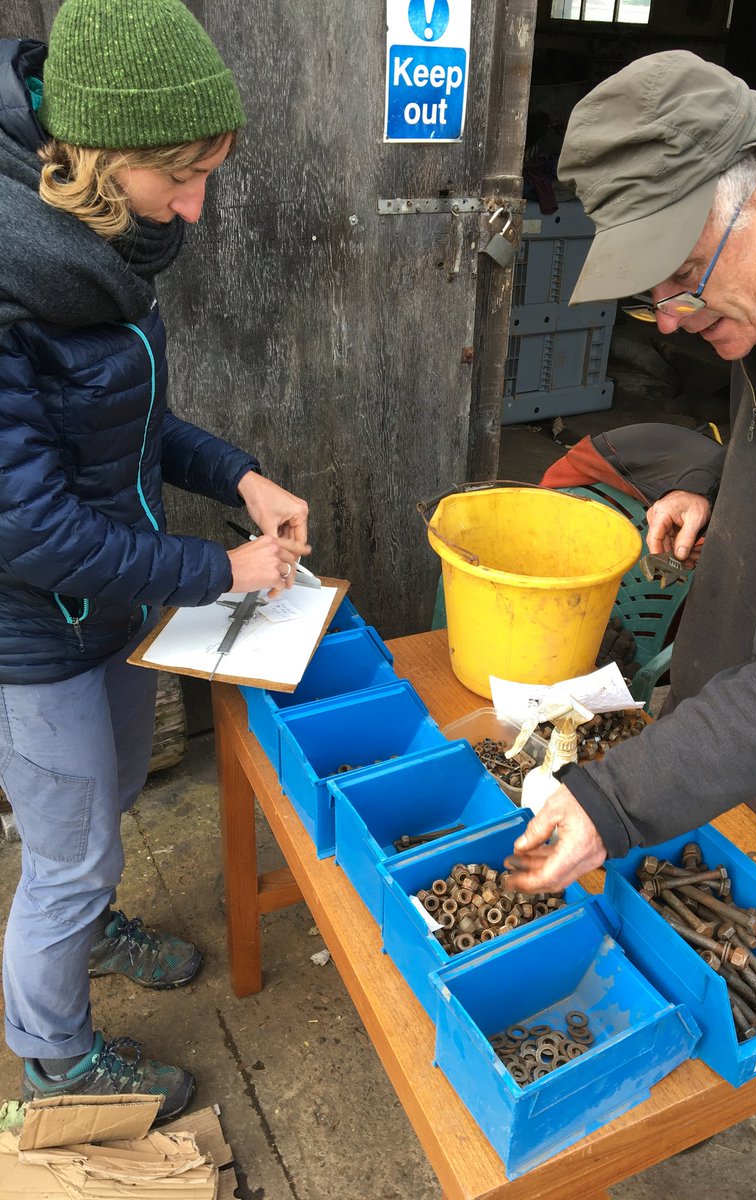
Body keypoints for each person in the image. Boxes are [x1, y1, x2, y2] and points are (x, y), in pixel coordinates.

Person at [0, 0, 311, 1121]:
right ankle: (54, 1057)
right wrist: (218, 573)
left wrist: (237, 477)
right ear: (99, 159)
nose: (195, 207)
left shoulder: (92, 252)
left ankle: (88, 916)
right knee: (65, 851)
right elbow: (24, 525)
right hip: (29, 628)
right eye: (179, 178)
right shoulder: (10, 274)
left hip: (115, 600)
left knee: (114, 795)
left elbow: (127, 425)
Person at [507, 51, 756, 898]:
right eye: (656, 295)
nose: (674, 322)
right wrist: (716, 484)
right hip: (712, 716)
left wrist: (611, 801)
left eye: (684, 278)